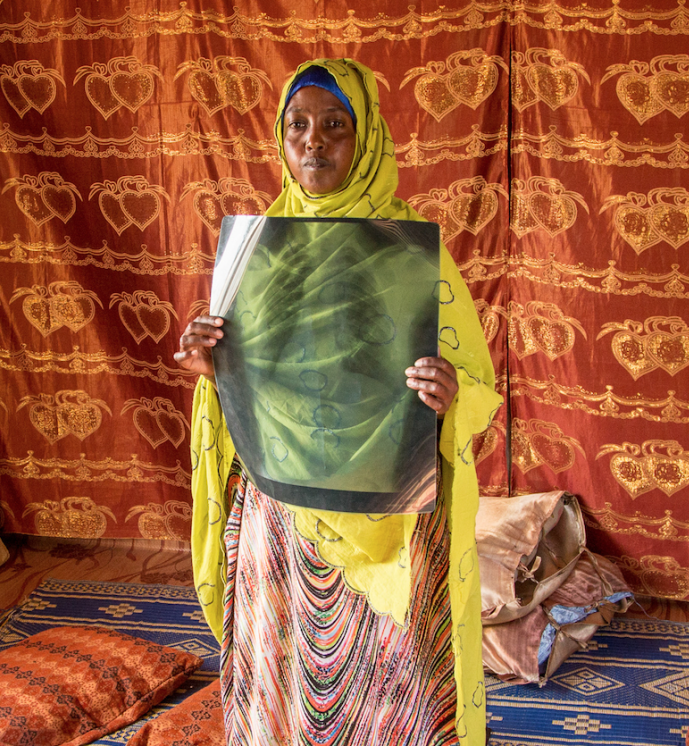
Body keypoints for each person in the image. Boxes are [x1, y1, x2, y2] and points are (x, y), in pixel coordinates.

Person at [176, 59, 501, 746]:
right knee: (283, 660)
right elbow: (247, 388)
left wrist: (451, 396)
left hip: (392, 505)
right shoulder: (256, 251)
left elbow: (477, 384)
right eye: (297, 126)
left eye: (334, 126)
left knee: (396, 670)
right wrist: (210, 366)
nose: (313, 144)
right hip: (283, 504)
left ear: (367, 139)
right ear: (279, 139)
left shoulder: (412, 254)